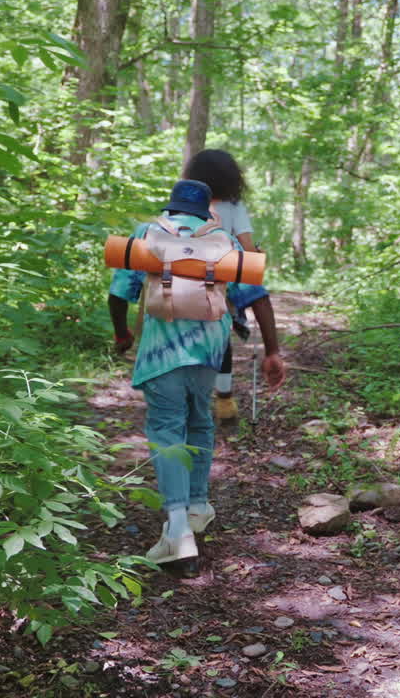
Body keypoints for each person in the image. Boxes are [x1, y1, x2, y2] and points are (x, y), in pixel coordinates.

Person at [107, 179, 286, 574]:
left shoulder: (148, 234)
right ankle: (198, 505)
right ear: (207, 210)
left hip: (161, 354)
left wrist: (122, 334)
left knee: (167, 429)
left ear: (172, 207)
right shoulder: (223, 239)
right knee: (200, 420)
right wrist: (273, 350)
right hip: (209, 353)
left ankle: (177, 532)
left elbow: (119, 293)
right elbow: (254, 294)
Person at [182, 149, 256, 422]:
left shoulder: (184, 200)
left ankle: (184, 389)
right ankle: (224, 398)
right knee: (221, 336)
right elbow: (246, 246)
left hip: (181, 275)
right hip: (219, 280)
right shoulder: (234, 206)